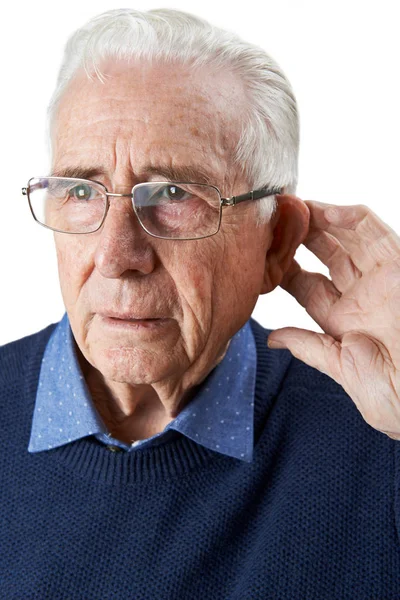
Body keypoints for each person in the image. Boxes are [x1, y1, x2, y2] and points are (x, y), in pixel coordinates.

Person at [1, 7, 399, 599]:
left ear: (275, 241)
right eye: (81, 190)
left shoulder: (381, 431)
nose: (116, 255)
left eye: (173, 193)